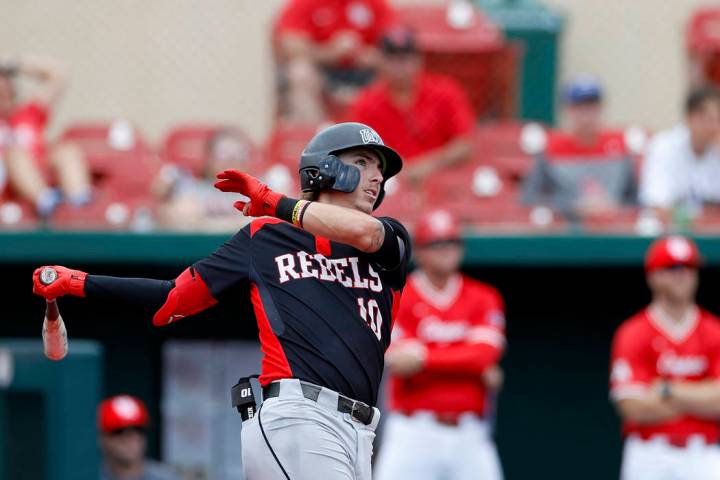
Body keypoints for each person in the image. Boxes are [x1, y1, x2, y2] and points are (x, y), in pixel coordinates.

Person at [32, 122, 410, 480]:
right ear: (324, 170)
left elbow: (367, 235)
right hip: (299, 416)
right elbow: (172, 299)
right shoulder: (265, 237)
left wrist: (274, 201)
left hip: (358, 430)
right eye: (362, 163)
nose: (377, 176)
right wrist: (82, 283)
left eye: (380, 169)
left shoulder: (389, 239)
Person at [375, 209, 505, 480]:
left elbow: (482, 357)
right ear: (419, 251)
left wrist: (424, 358)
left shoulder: (483, 297)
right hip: (413, 430)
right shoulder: (398, 295)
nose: (446, 250)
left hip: (469, 431)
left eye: (451, 243)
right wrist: (464, 359)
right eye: (436, 244)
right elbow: (399, 363)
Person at [610, 236, 720, 480]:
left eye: (689, 268)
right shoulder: (633, 332)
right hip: (650, 453)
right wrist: (701, 395)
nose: (682, 276)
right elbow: (633, 407)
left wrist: (666, 389)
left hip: (703, 454)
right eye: (673, 268)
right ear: (653, 276)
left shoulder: (714, 330)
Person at [349, 26, 474, 185]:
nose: (400, 65)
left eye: (405, 58)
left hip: (441, 179)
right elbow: (361, 150)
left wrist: (429, 164)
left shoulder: (445, 91)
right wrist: (400, 167)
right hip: (388, 183)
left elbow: (465, 145)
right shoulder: (366, 102)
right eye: (392, 58)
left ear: (419, 60)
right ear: (380, 61)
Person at [522, 75, 637, 223]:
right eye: (580, 107)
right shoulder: (550, 149)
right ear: (568, 110)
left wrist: (615, 207)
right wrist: (570, 207)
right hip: (566, 232)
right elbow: (529, 199)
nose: (587, 114)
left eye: (591, 106)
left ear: (601, 108)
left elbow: (634, 199)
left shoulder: (619, 147)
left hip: (613, 229)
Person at [274, 0, 396, 125]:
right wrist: (330, 51)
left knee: (397, 70)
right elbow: (291, 46)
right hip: (323, 75)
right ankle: (316, 137)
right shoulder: (304, 4)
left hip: (366, 76)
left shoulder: (376, 4)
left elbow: (395, 45)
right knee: (300, 72)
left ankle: (383, 133)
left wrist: (367, 54)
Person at [0, 54, 91, 218]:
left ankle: (80, 207)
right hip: (10, 182)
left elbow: (57, 74)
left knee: (67, 151)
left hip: (40, 170)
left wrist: (11, 64)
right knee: (15, 154)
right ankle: (47, 204)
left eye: (6, 92)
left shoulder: (28, 113)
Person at [639, 87, 720, 226]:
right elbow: (658, 208)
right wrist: (703, 221)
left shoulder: (717, 149)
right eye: (711, 119)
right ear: (691, 118)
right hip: (667, 236)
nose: (715, 127)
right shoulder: (663, 147)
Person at [153, 128, 257, 232]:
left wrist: (207, 222)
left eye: (239, 154)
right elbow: (167, 216)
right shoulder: (190, 188)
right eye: (223, 154)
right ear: (209, 158)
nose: (231, 160)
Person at [98, 394, 178, 480]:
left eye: (137, 429)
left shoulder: (166, 477)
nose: (129, 438)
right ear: (102, 438)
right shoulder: (91, 475)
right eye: (119, 431)